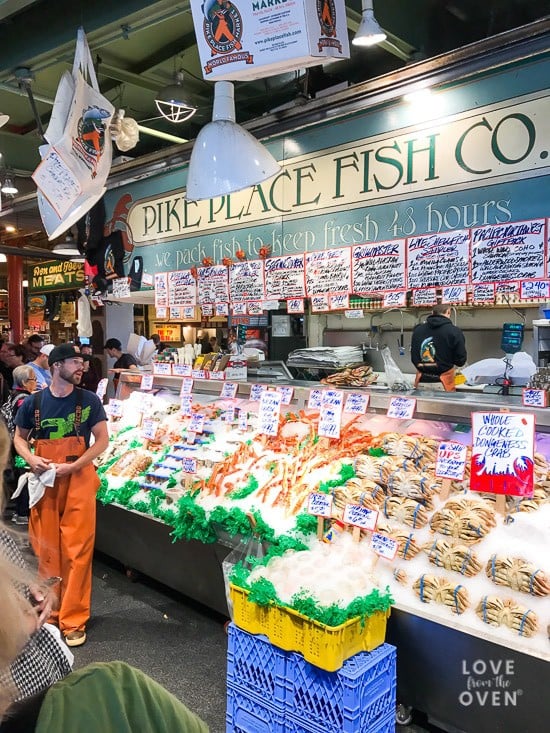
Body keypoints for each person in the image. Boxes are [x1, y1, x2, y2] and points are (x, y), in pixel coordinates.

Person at [13, 344, 109, 648]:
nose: (81, 367)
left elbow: (102, 440)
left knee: (78, 552)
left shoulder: (90, 400)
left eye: (81, 362)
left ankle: (74, 619)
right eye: (75, 362)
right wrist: (31, 459)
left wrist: (77, 465)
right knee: (46, 551)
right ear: (56, 366)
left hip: (78, 480)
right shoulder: (33, 403)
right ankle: (50, 614)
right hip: (45, 482)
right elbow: (18, 438)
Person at [1, 365, 40, 525]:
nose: (36, 382)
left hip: (12, 446)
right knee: (26, 478)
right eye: (33, 379)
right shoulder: (25, 400)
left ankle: (19, 511)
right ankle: (23, 512)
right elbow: (27, 425)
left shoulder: (13, 395)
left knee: (20, 478)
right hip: (22, 446)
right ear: (24, 382)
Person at [411, 304, 467, 391]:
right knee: (444, 405)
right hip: (444, 383)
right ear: (448, 312)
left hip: (421, 382)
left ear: (432, 313)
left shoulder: (418, 330)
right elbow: (460, 360)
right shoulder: (454, 331)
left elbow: (413, 356)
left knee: (422, 405)